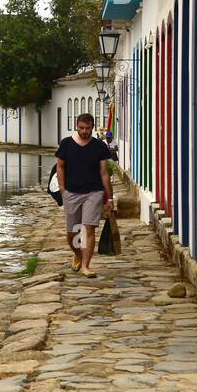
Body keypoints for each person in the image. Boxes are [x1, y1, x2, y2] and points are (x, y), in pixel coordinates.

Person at [54, 112, 115, 278]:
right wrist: (63, 190)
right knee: (73, 232)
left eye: (88, 128)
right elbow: (60, 167)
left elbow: (104, 173)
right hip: (71, 193)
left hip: (93, 192)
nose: (85, 131)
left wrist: (109, 197)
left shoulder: (99, 147)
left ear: (92, 127)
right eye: (82, 128)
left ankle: (86, 266)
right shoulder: (66, 144)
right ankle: (78, 254)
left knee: (88, 228)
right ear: (76, 126)